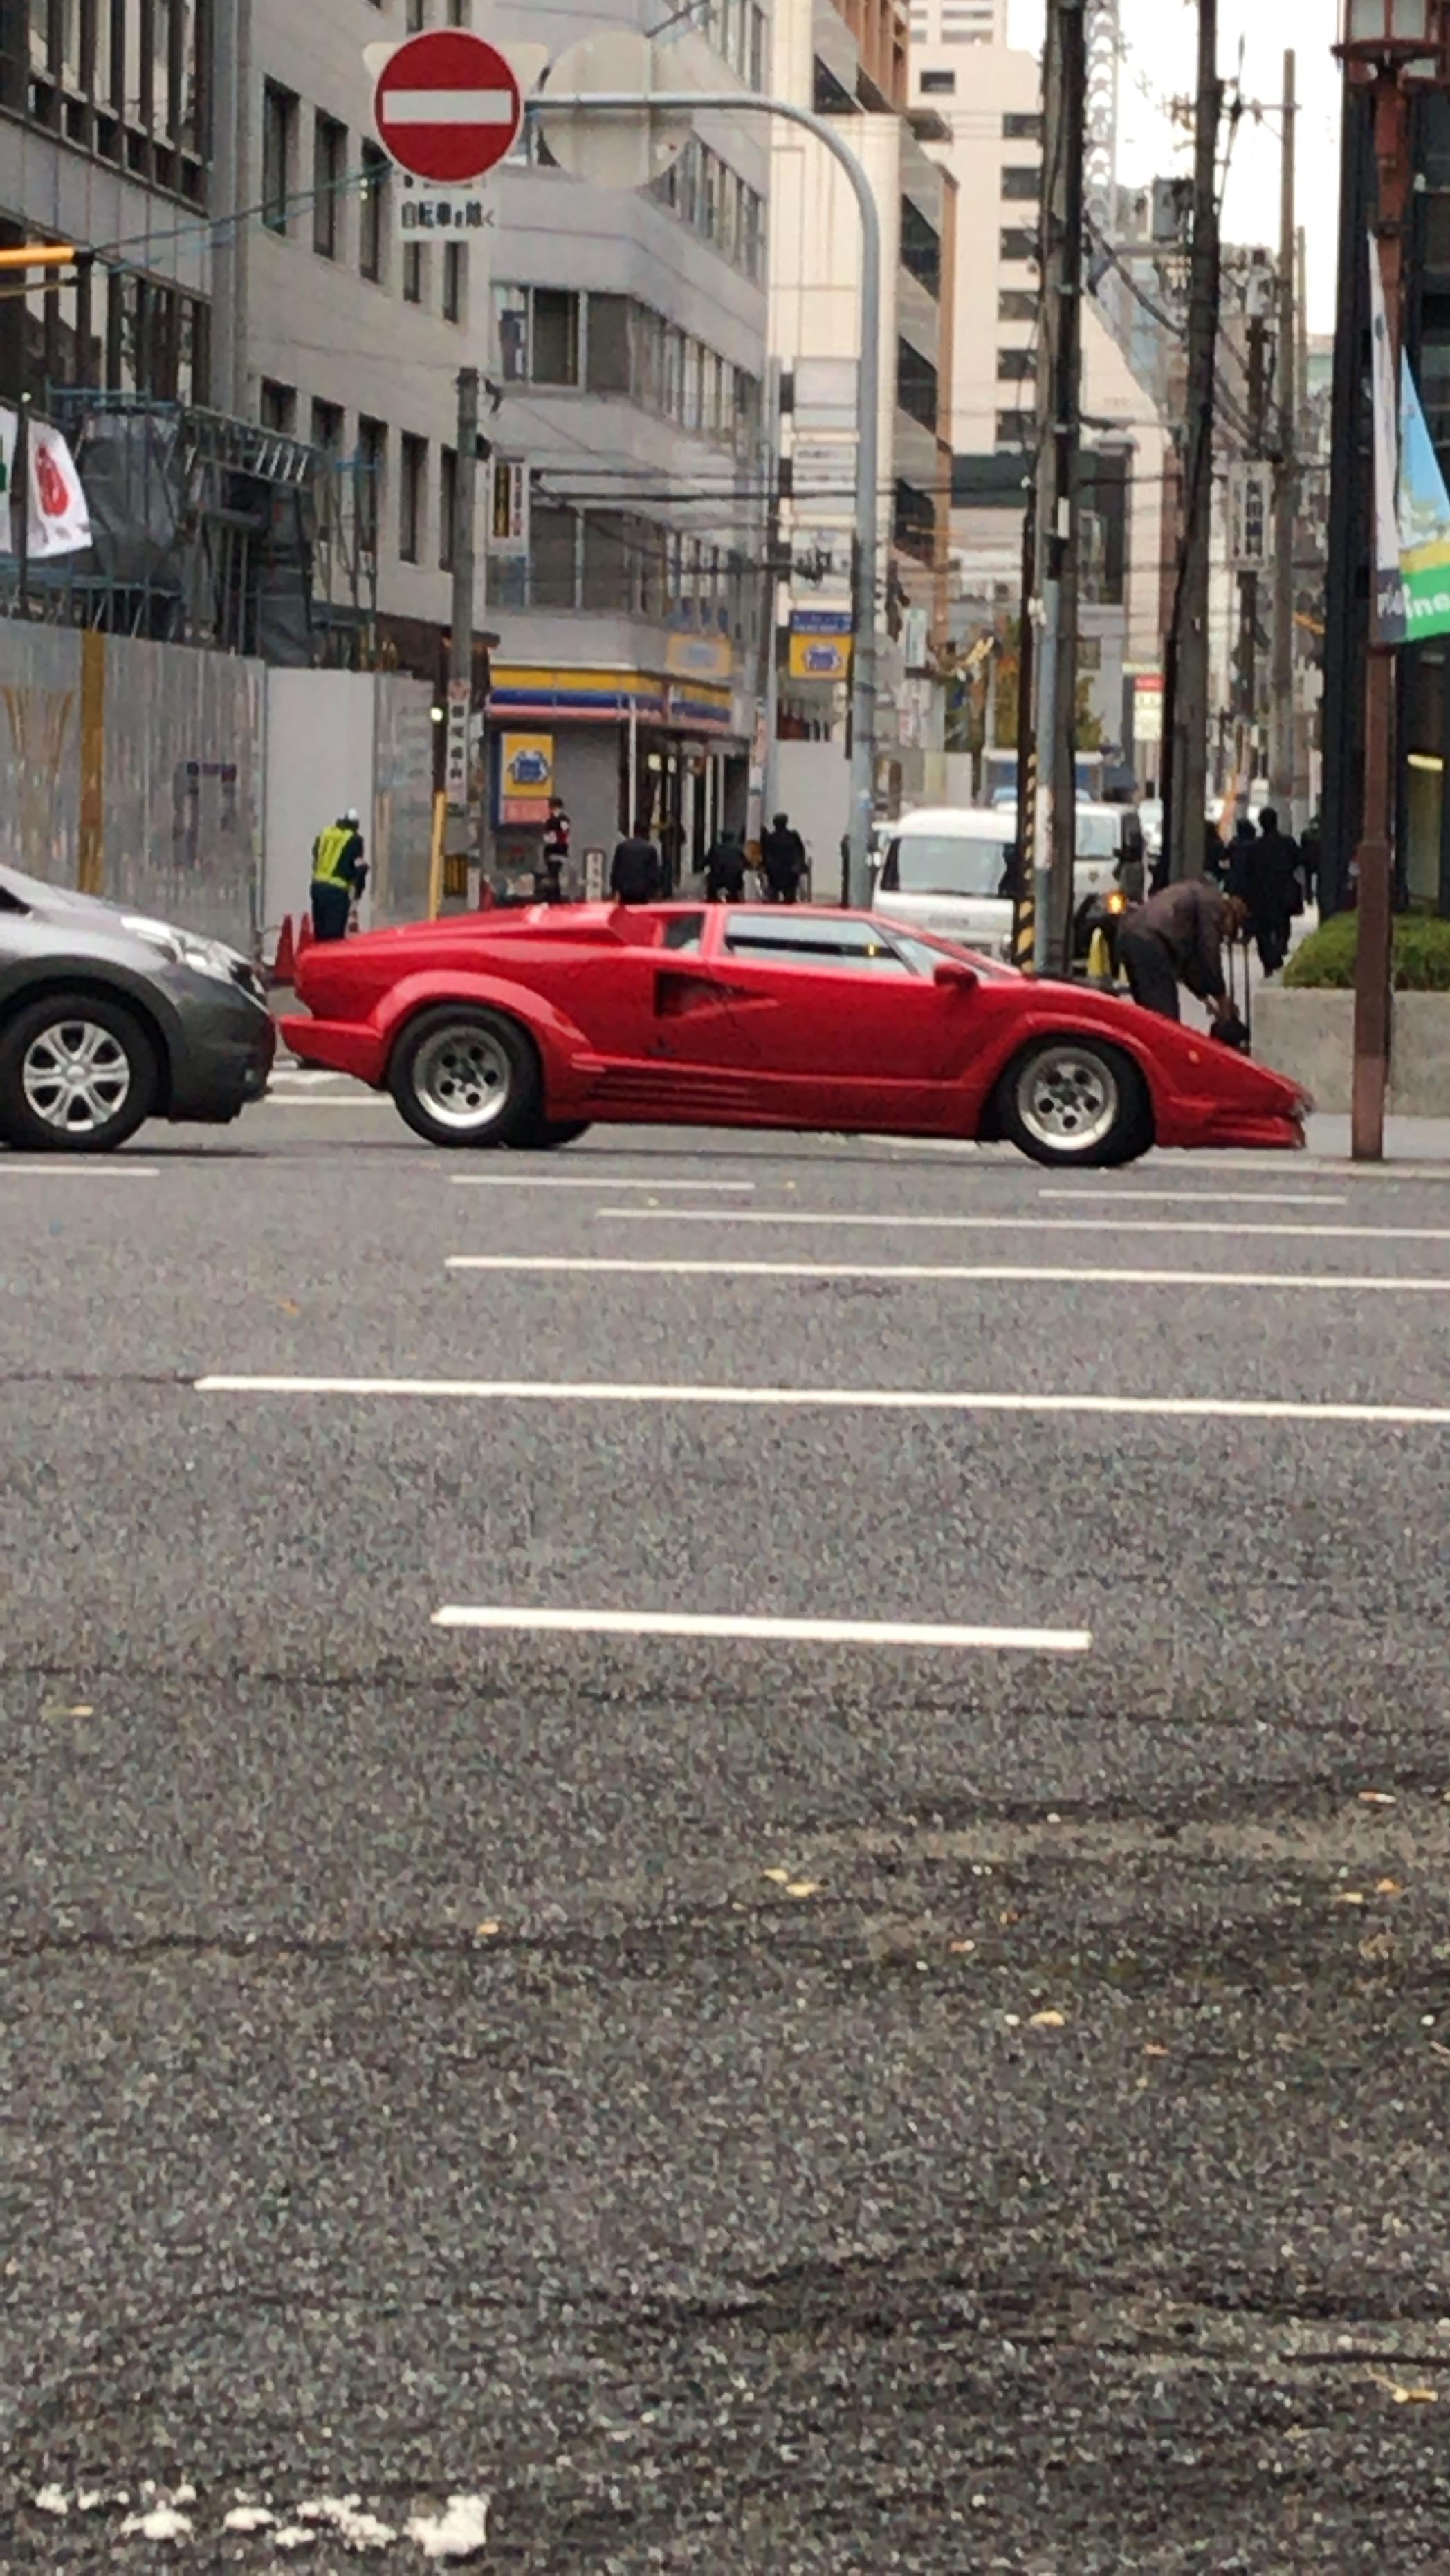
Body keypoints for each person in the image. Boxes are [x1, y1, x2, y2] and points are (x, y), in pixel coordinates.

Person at [1117, 877, 1250, 1026]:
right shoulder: (1213, 905)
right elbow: (1208, 950)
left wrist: (1205, 997)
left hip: (1132, 935)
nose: (1223, 936)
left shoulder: (1199, 900)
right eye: (1228, 932)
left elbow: (1189, 964)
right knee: (1165, 1018)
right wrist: (1221, 996)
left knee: (1149, 1015)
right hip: (1151, 941)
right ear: (1231, 915)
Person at [1247, 805, 1303, 975]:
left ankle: (1269, 962)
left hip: (1261, 895)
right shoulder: (1287, 844)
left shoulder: (1255, 847)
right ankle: (1278, 954)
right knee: (1282, 927)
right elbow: (1298, 861)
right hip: (1283, 892)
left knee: (1262, 932)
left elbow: (1248, 871)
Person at [310, 808, 367, 942]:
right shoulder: (354, 840)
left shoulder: (325, 834)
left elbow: (315, 856)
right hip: (336, 892)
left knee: (320, 935)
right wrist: (357, 896)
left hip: (317, 888)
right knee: (333, 938)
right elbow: (360, 869)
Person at [609, 818, 663, 905]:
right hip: (642, 892)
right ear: (646, 832)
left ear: (634, 831)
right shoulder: (650, 850)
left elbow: (616, 870)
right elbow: (654, 873)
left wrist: (615, 889)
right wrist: (656, 891)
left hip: (625, 891)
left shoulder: (623, 847)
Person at [760, 811, 807, 905]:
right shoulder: (792, 837)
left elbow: (765, 855)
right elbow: (800, 852)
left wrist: (766, 868)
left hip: (776, 873)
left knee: (774, 898)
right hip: (787, 873)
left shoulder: (770, 838)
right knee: (788, 897)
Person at [538, 795, 570, 902]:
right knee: (553, 874)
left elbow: (564, 831)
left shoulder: (561, 820)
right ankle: (554, 895)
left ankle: (555, 896)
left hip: (558, 851)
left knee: (555, 874)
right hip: (555, 851)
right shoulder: (550, 821)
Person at [704, 828, 747, 903]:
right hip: (734, 884)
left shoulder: (715, 849)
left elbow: (706, 861)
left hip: (718, 882)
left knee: (711, 898)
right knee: (736, 898)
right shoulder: (738, 850)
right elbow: (746, 863)